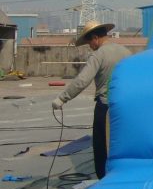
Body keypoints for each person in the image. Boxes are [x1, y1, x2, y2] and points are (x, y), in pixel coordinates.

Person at [52, 21, 130, 179]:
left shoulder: (99, 55)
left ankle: (103, 179)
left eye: (89, 43)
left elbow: (82, 80)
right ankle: (123, 177)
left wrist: (62, 98)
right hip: (126, 107)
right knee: (122, 143)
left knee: (101, 146)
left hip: (106, 107)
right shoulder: (126, 52)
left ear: (95, 38)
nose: (90, 47)